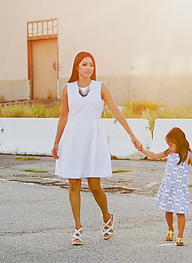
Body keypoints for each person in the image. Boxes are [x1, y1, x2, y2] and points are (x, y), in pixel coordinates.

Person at [52, 51, 146, 245]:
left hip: (93, 138)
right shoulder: (67, 89)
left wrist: (132, 136)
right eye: (84, 64)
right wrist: (56, 141)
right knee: (73, 184)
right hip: (73, 138)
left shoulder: (100, 87)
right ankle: (77, 228)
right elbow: (63, 117)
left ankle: (107, 217)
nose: (88, 68)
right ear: (77, 66)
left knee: (95, 186)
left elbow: (116, 112)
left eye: (91, 65)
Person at [142, 127, 192, 246]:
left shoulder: (188, 156)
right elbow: (155, 156)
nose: (169, 147)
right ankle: (170, 229)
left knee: (180, 212)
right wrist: (142, 150)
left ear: (179, 142)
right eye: (168, 145)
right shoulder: (169, 152)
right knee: (168, 211)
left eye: (171, 145)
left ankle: (180, 235)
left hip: (180, 189)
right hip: (168, 187)